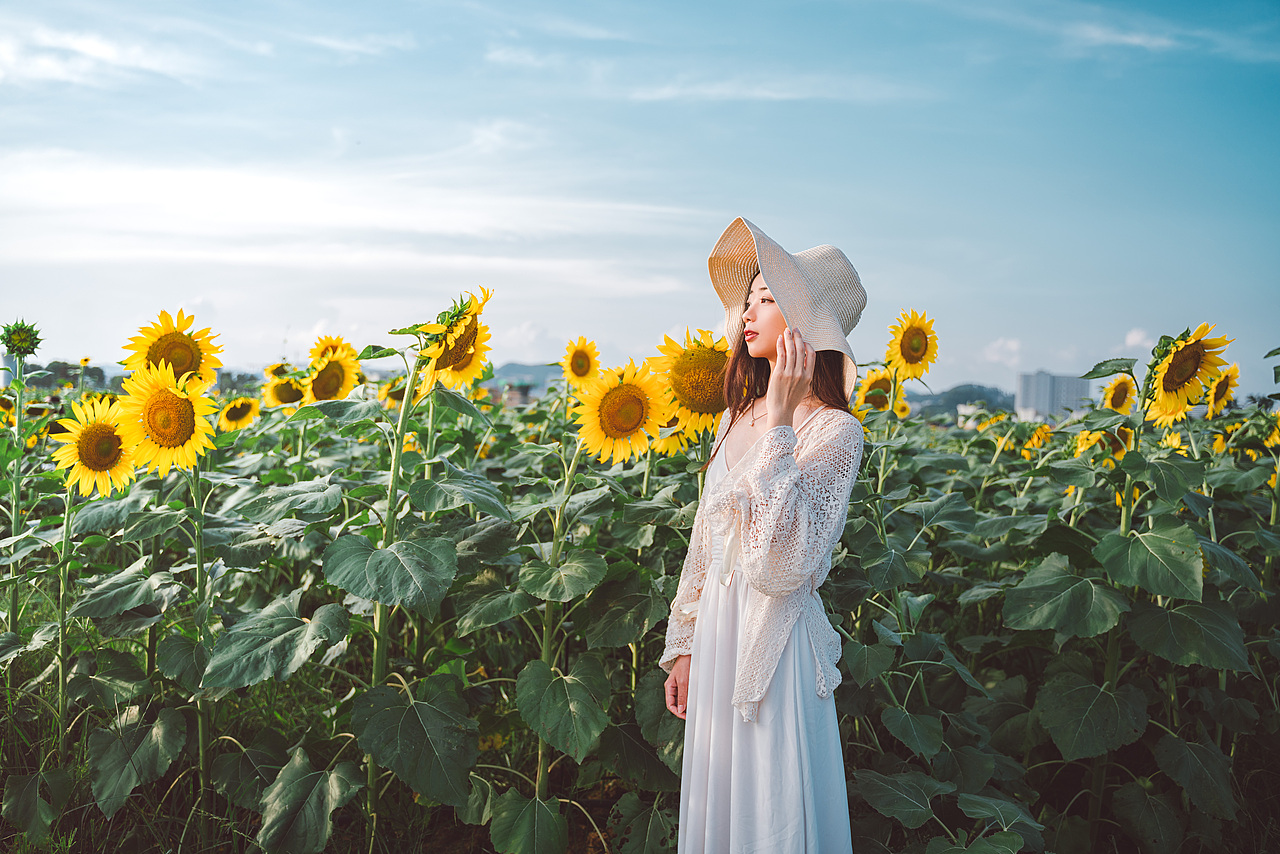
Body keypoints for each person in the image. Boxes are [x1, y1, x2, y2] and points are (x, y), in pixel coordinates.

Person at [660, 217, 866, 853]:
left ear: (806, 323)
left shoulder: (834, 432)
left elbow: (782, 564)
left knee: (770, 803)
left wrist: (780, 419)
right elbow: (706, 543)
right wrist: (685, 643)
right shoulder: (734, 415)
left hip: (770, 646)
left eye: (767, 298)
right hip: (720, 633)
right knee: (720, 800)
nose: (748, 310)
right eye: (747, 298)